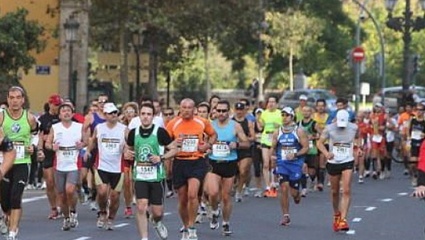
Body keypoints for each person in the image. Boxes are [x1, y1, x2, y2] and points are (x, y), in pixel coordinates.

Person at [166, 98, 217, 240]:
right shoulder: (173, 123)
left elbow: (213, 135)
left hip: (196, 161)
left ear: (194, 109)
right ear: (180, 108)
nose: (187, 110)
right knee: (182, 198)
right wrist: (173, 144)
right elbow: (164, 141)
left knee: (193, 195)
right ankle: (186, 226)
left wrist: (207, 146)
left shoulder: (202, 122)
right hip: (180, 162)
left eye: (190, 107)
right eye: (184, 107)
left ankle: (192, 227)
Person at [125, 103, 177, 240]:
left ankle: (157, 222)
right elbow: (128, 148)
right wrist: (128, 154)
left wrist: (161, 157)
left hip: (156, 177)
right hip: (140, 176)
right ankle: (144, 238)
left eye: (148, 114)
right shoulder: (133, 133)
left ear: (153, 116)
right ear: (139, 115)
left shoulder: (159, 132)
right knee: (141, 207)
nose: (146, 117)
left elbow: (174, 149)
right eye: (143, 114)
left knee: (157, 212)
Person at [205, 100, 250, 235]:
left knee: (226, 197)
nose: (221, 113)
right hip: (213, 162)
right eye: (218, 111)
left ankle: (225, 223)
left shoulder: (235, 126)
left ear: (229, 112)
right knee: (212, 193)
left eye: (224, 111)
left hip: (230, 163)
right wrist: (207, 148)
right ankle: (214, 211)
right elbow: (204, 142)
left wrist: (236, 145)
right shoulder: (210, 126)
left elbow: (247, 143)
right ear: (215, 111)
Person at [0, 86, 38, 240]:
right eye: (11, 98)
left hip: (22, 161)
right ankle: (6, 214)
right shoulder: (2, 117)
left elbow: (36, 134)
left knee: (16, 196)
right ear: (7, 100)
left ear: (23, 100)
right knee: (5, 200)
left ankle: (12, 231)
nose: (14, 101)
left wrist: (33, 146)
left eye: (17, 98)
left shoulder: (29, 118)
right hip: (3, 163)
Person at [86, 102, 127, 230]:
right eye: (110, 113)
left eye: (115, 112)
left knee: (115, 196)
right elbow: (93, 140)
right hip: (102, 165)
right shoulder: (99, 127)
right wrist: (87, 151)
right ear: (105, 115)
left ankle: (111, 218)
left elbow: (130, 144)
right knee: (102, 192)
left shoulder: (124, 129)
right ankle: (103, 212)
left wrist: (127, 150)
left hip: (118, 167)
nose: (113, 115)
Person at [316, 109, 359, 232]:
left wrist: (357, 147)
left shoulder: (354, 127)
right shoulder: (329, 128)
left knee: (346, 190)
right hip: (333, 161)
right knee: (334, 191)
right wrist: (326, 153)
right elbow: (319, 143)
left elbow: (358, 138)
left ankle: (343, 220)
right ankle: (337, 214)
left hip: (348, 160)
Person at [45, 103, 85, 231]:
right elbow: (47, 143)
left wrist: (82, 144)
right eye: (63, 111)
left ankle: (73, 211)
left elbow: (87, 141)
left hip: (73, 164)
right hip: (59, 165)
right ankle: (67, 218)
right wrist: (52, 147)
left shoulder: (79, 127)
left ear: (73, 114)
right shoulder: (55, 128)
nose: (66, 113)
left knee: (70, 190)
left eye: (69, 111)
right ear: (60, 114)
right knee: (61, 195)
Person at [271, 107, 309, 226]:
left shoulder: (299, 131)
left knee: (294, 193)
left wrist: (295, 154)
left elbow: (306, 147)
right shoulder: (278, 132)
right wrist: (272, 158)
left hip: (295, 165)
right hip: (282, 164)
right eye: (282, 115)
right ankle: (285, 216)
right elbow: (273, 148)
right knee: (284, 188)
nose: (284, 117)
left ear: (292, 117)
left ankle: (297, 195)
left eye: (286, 115)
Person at [37, 94, 63, 219]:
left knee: (59, 181)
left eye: (59, 105)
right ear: (50, 104)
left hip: (60, 153)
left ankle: (59, 207)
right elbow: (40, 136)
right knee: (50, 182)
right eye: (56, 105)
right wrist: (40, 150)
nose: (58, 107)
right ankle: (53, 207)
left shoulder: (63, 116)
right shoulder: (43, 119)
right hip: (48, 153)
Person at [258, 96, 282, 197]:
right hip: (265, 139)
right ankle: (267, 186)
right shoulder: (264, 113)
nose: (271, 104)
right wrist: (260, 123)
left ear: (276, 103)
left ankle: (274, 183)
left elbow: (284, 124)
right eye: (269, 102)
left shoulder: (280, 113)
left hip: (276, 139)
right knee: (266, 164)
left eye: (273, 102)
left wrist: (278, 125)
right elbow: (260, 126)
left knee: (274, 163)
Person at [232, 102, 255, 202]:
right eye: (237, 110)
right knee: (233, 173)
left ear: (244, 111)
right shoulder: (231, 122)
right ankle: (235, 185)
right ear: (234, 110)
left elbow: (253, 137)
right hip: (233, 149)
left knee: (243, 171)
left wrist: (245, 139)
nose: (239, 112)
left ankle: (239, 191)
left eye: (241, 110)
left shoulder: (248, 122)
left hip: (245, 149)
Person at [119, 102, 139, 218]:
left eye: (131, 111)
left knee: (136, 179)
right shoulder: (120, 125)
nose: (129, 114)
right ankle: (128, 206)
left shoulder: (139, 124)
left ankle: (138, 197)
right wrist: (125, 151)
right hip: (125, 155)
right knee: (126, 181)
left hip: (137, 154)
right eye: (126, 112)